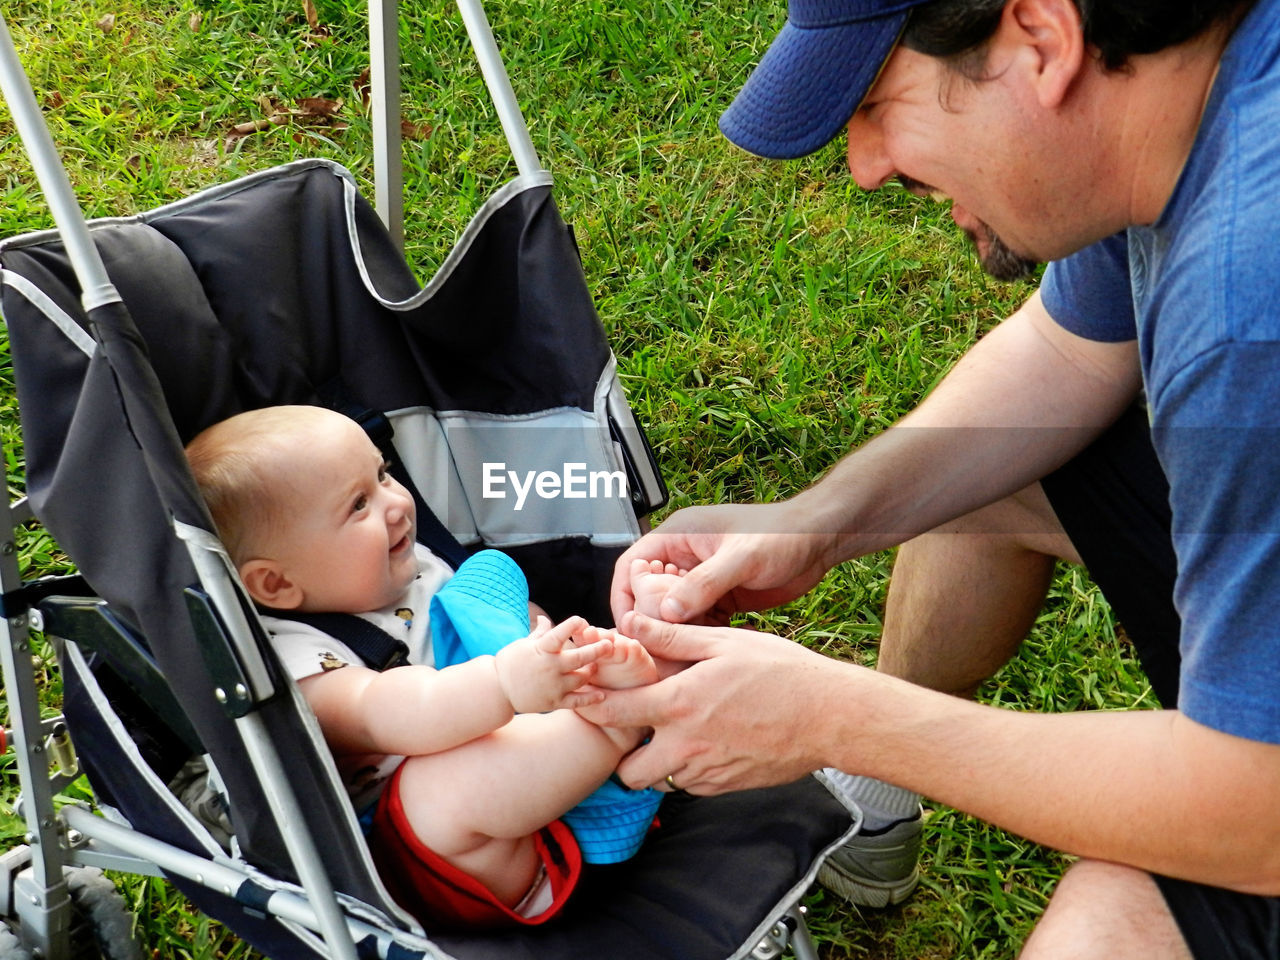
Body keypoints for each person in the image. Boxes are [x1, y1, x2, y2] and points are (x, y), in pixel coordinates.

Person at [586, 0, 1280, 956]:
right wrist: (815, 519)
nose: (866, 169)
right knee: (997, 462)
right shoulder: (1181, 93)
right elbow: (1067, 357)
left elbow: (1255, 812)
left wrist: (834, 717)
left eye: (880, 106)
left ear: (1041, 41)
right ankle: (873, 811)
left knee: (1106, 931)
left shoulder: (1249, 308)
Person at [184, 404, 672, 930]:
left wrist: (555, 652)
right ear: (276, 584)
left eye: (383, 473)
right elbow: (398, 710)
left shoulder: (414, 569)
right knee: (437, 791)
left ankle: (629, 674)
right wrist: (510, 681)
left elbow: (498, 627)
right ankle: (623, 724)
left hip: (539, 771)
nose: (396, 504)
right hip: (450, 857)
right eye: (357, 505)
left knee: (532, 632)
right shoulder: (299, 663)